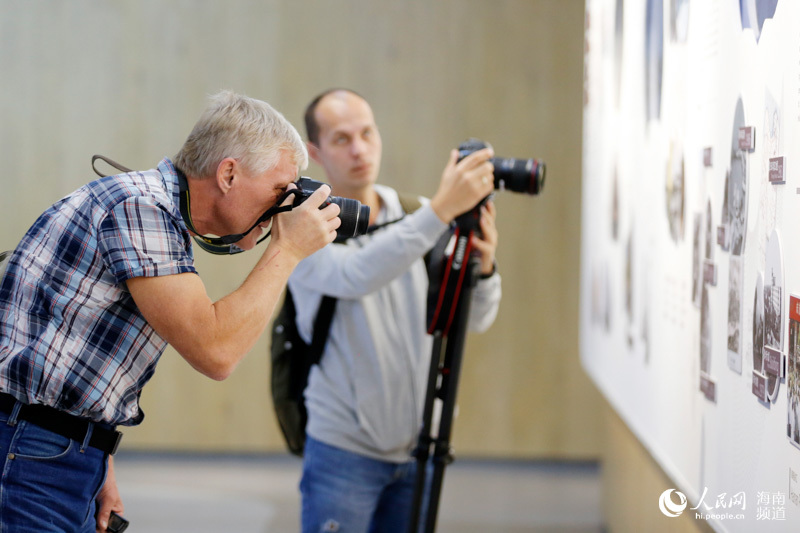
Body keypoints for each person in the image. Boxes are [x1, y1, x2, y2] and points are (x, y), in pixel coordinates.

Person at [0, 90, 340, 532]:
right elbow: (215, 351)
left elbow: (62, 347)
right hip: (31, 454)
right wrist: (287, 249)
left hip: (48, 448)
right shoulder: (140, 208)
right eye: (280, 189)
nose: (284, 207)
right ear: (229, 174)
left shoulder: (145, 206)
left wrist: (97, 456)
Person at [291, 88, 502, 532]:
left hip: (420, 447)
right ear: (316, 152)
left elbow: (474, 319)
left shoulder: (420, 215)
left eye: (367, 133)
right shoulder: (303, 230)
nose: (360, 149)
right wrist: (442, 211)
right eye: (342, 139)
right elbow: (357, 274)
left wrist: (485, 269)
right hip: (342, 451)